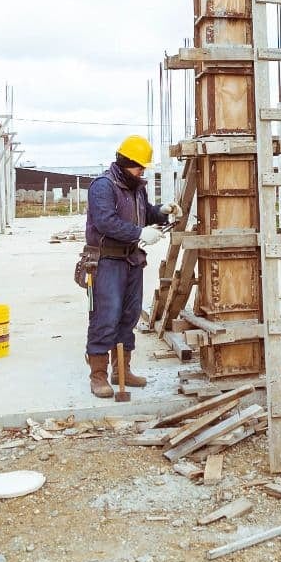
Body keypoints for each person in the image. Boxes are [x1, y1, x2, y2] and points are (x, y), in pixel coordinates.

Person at [84, 134, 179, 398]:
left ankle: (122, 370)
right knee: (106, 315)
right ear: (126, 162)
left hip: (131, 260)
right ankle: (99, 375)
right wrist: (140, 233)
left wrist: (162, 211)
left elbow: (144, 212)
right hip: (106, 261)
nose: (142, 172)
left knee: (130, 315)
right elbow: (106, 222)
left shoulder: (136, 185)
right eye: (139, 167)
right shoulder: (103, 186)